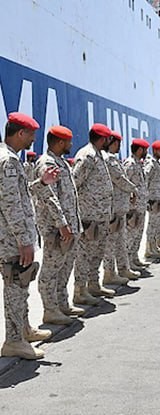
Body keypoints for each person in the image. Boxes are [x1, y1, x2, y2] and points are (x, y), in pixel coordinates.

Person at [1, 112, 60, 359]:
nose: (33, 140)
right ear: (20, 133)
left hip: (13, 237)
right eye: (31, 135)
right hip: (11, 240)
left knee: (21, 285)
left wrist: (41, 183)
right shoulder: (8, 161)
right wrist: (24, 241)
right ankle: (14, 341)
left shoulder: (10, 158)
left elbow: (21, 193)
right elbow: (10, 204)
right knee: (15, 287)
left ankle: (23, 330)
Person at [32, 125, 84, 325]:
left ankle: (62, 304)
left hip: (69, 227)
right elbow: (49, 197)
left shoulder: (60, 162)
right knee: (51, 271)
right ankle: (50, 309)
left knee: (65, 267)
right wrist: (61, 224)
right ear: (61, 142)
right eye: (68, 141)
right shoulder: (47, 163)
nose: (71, 144)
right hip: (56, 229)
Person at [72, 123, 115, 303]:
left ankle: (93, 285)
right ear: (102, 139)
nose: (109, 142)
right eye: (108, 139)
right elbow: (74, 184)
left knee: (97, 253)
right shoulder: (87, 156)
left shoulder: (98, 155)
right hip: (89, 217)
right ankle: (80, 291)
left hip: (101, 216)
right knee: (84, 255)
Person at [102, 131, 140, 285]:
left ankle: (123, 268)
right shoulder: (108, 159)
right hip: (113, 208)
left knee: (120, 241)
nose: (119, 146)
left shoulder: (113, 159)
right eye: (118, 143)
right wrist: (133, 189)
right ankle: (109, 273)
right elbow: (120, 179)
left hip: (120, 207)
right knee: (111, 244)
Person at [123, 138, 151, 270]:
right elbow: (125, 183)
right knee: (130, 235)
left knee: (138, 234)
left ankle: (134, 258)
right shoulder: (130, 164)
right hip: (133, 207)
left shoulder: (138, 164)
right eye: (145, 150)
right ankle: (127, 263)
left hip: (141, 206)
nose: (146, 152)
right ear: (139, 150)